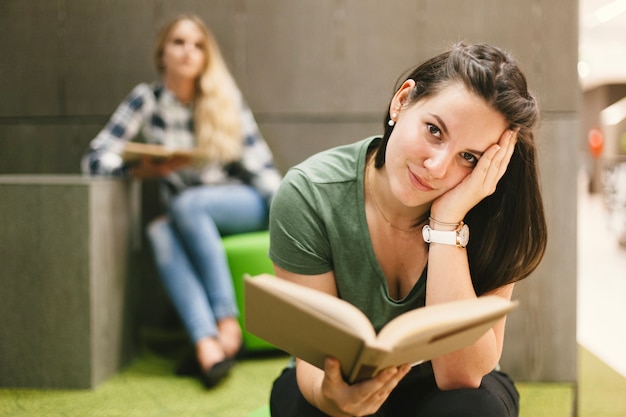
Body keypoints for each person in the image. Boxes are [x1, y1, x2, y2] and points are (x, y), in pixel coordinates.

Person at [267, 43, 547, 417]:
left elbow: (459, 374)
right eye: (434, 130)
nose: (437, 166)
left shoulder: (493, 212)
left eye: (469, 157)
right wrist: (334, 399)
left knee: (475, 409)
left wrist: (447, 225)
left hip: (443, 391)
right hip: (337, 381)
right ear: (402, 102)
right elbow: (312, 360)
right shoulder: (310, 194)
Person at [82, 14, 282, 388]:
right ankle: (207, 346)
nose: (189, 51)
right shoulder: (147, 99)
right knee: (159, 232)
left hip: (243, 204)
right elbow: (94, 157)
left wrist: (285, 216)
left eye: (198, 44)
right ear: (162, 55)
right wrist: (138, 170)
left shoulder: (224, 98)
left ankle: (228, 325)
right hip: (184, 212)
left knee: (189, 203)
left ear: (207, 56)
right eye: (179, 42)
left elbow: (262, 168)